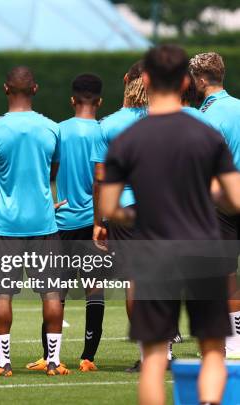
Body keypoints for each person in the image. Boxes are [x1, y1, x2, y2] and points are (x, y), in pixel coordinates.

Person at [100, 44, 240, 405]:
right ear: (183, 81)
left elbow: (111, 208)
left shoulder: (126, 139)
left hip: (153, 249)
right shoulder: (206, 130)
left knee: (154, 358)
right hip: (203, 246)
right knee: (212, 350)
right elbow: (234, 198)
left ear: (145, 79)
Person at [0, 66, 68, 377]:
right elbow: (53, 171)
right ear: (36, 89)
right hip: (44, 223)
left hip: (5, 226)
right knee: (52, 293)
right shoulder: (53, 129)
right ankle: (54, 361)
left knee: (3, 295)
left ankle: (3, 363)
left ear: (6, 89)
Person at [90, 60, 151, 372]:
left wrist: (99, 222)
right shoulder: (166, 119)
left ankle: (147, 357)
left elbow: (101, 179)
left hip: (125, 211)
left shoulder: (109, 125)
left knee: (134, 283)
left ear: (126, 80)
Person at [52, 73, 105, 372]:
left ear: (72, 100)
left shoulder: (59, 131)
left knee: (55, 291)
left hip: (63, 220)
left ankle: (52, 357)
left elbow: (47, 170)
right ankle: (88, 357)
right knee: (93, 288)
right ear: (99, 101)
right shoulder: (104, 132)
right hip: (94, 220)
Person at [190, 52, 240, 360]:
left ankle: (232, 342)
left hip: (221, 201)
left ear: (201, 80)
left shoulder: (206, 116)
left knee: (221, 273)